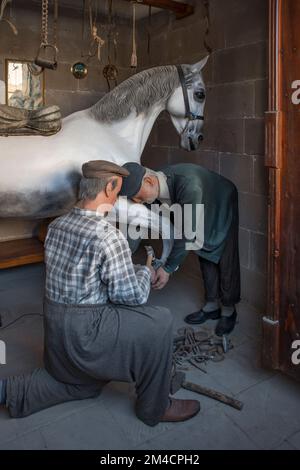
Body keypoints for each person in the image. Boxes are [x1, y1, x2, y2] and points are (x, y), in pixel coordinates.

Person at [0, 160, 199, 426]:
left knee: (83, 386)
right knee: (159, 321)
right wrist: (144, 270)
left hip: (57, 340)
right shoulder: (108, 235)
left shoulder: (56, 226)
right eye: (118, 193)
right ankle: (156, 407)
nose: (118, 200)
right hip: (84, 336)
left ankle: (7, 391)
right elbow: (133, 297)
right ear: (109, 188)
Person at [119, 162, 241, 337]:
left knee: (226, 256)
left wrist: (168, 268)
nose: (137, 202)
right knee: (201, 249)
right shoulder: (152, 191)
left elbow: (186, 233)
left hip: (221, 199)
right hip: (201, 203)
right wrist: (125, 257)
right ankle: (211, 306)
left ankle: (229, 309)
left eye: (137, 197)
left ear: (149, 182)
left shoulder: (189, 186)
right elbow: (138, 222)